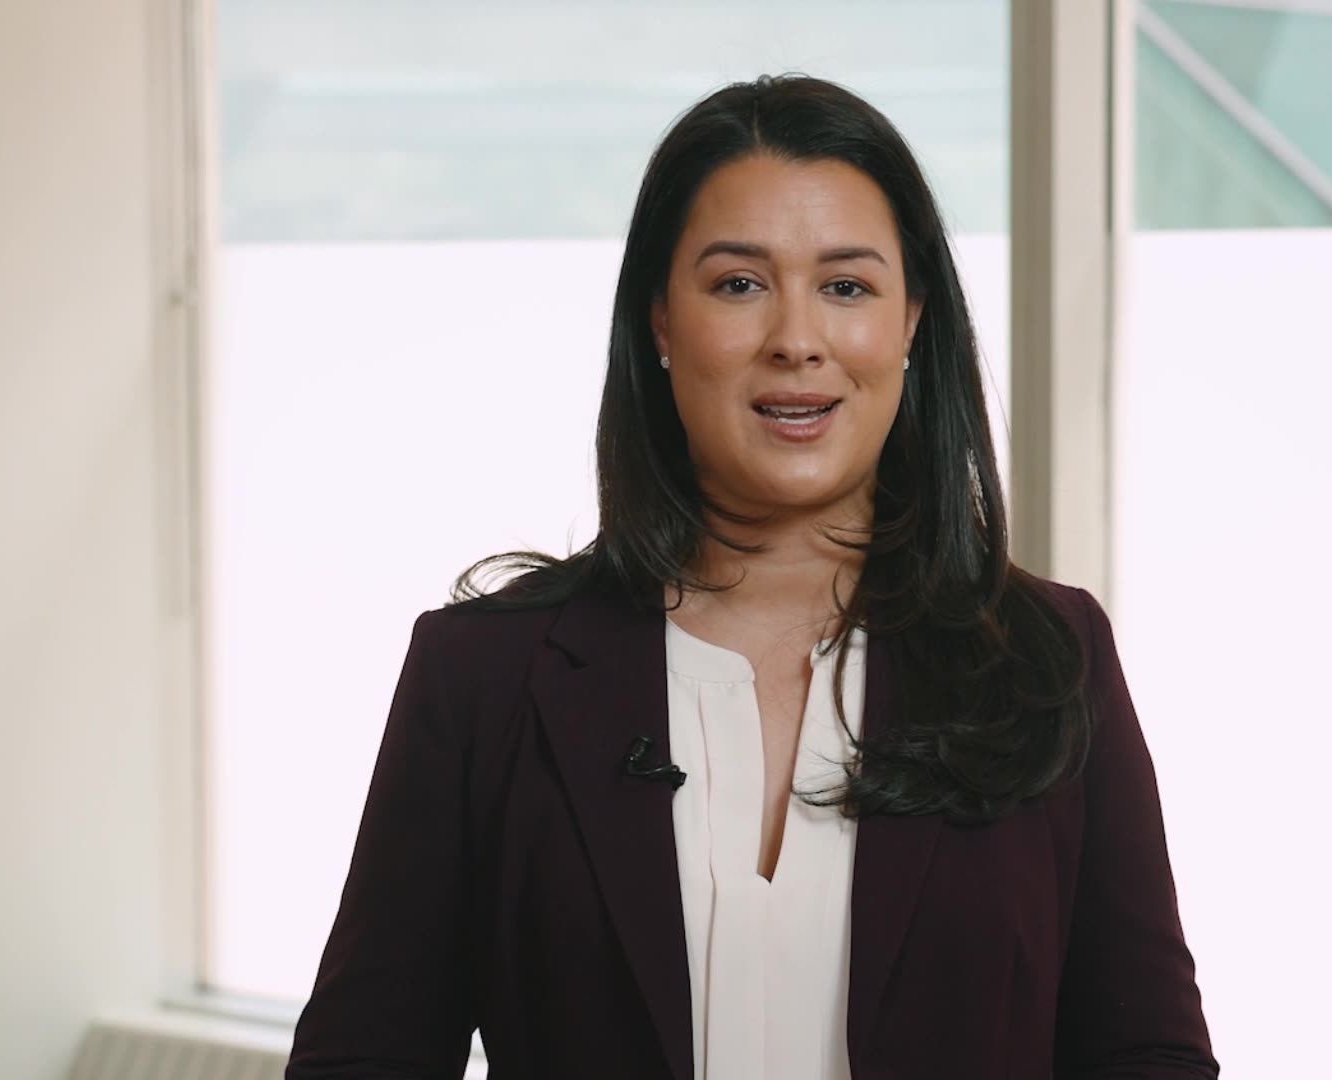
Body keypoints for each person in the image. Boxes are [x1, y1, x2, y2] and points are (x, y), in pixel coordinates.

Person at [286, 74, 1217, 1080]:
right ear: (659, 322)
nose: (796, 340)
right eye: (739, 283)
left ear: (910, 322)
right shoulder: (482, 677)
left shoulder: (1049, 660)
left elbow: (1146, 1055)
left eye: (847, 286)